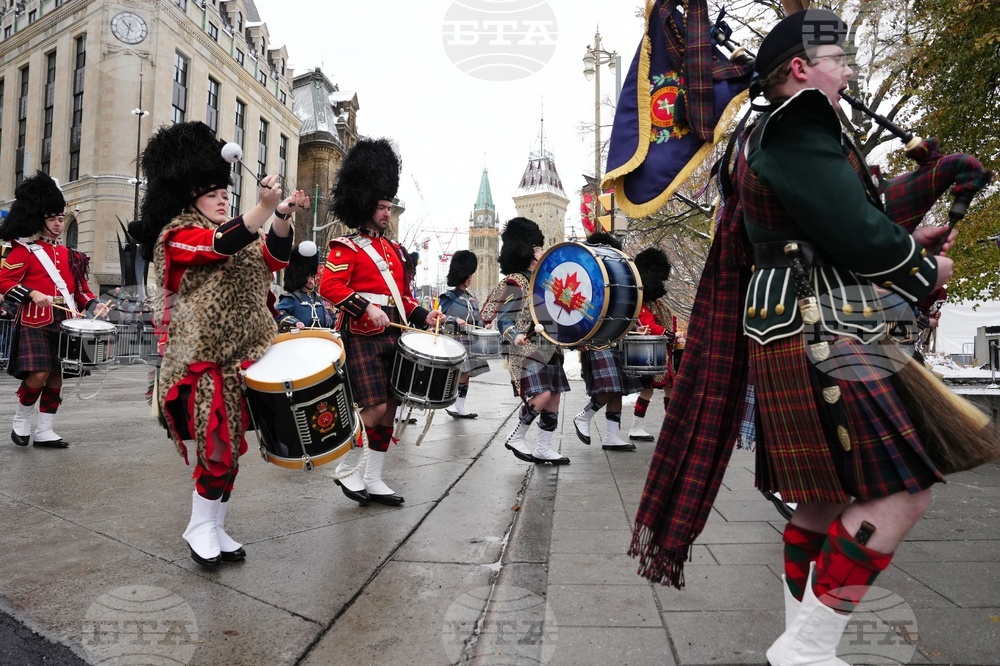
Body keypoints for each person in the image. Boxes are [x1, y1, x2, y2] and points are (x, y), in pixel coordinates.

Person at [630, 9, 995, 666]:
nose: (850, 70)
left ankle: (800, 643)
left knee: (824, 498)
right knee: (902, 495)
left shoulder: (773, 136)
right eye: (839, 60)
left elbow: (847, 216)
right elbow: (857, 232)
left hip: (796, 321)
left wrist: (918, 222)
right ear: (800, 69)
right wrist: (921, 267)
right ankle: (809, 648)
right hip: (821, 322)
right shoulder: (799, 124)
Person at [128, 120, 305, 567]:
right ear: (190, 197)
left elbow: (274, 257)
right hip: (203, 361)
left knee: (229, 450)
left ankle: (215, 525)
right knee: (217, 447)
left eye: (225, 192)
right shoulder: (178, 235)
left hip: (243, 360)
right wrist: (263, 208)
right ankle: (200, 526)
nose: (223, 197)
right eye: (213, 193)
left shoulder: (234, 231)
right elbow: (218, 245)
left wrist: (280, 214)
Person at [319, 137, 445, 506]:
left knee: (390, 407)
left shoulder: (394, 251)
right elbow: (330, 284)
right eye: (383, 207)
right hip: (361, 332)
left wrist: (425, 314)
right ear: (366, 206)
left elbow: (402, 298)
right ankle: (346, 469)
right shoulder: (347, 246)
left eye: (390, 207)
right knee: (372, 407)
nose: (388, 213)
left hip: (393, 331)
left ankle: (372, 478)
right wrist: (362, 307)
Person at [0, 171, 110, 448]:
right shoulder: (25, 250)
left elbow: (81, 291)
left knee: (57, 377)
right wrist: (32, 293)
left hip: (65, 320)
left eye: (61, 218)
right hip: (34, 320)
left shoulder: (71, 256)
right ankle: (22, 419)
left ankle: (45, 430)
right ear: (41, 220)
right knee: (38, 374)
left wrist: (95, 304)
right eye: (53, 219)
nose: (59, 224)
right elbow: (4, 280)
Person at [492, 217, 570, 465]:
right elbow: (504, 319)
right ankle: (516, 436)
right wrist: (515, 336)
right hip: (525, 348)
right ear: (525, 250)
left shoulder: (545, 280)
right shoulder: (515, 281)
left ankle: (543, 448)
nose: (540, 251)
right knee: (542, 395)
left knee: (554, 397)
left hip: (550, 346)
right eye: (535, 247)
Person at [571, 232, 641, 452]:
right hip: (596, 338)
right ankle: (585, 416)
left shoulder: (617, 277)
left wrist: (635, 327)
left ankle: (612, 436)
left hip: (618, 335)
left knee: (618, 387)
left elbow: (625, 304)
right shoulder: (584, 279)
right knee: (610, 385)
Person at [627, 246, 674, 442]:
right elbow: (648, 324)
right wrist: (667, 333)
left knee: (667, 388)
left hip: (663, 350)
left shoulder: (654, 303)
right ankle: (639, 427)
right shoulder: (642, 303)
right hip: (651, 350)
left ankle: (668, 427)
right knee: (651, 388)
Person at [438, 250, 489, 418]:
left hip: (470, 340)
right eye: (468, 276)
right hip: (454, 340)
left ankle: (460, 405)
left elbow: (476, 320)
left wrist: (484, 325)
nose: (470, 279)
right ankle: (453, 403)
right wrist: (453, 319)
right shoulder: (448, 296)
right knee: (458, 373)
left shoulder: (471, 298)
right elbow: (440, 317)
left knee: (466, 374)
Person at [275, 240, 336, 331]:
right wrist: (295, 322)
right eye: (307, 278)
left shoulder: (320, 299)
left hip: (322, 340)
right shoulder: (292, 298)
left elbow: (332, 319)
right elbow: (278, 313)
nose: (311, 281)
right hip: (299, 339)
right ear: (300, 278)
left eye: (312, 278)